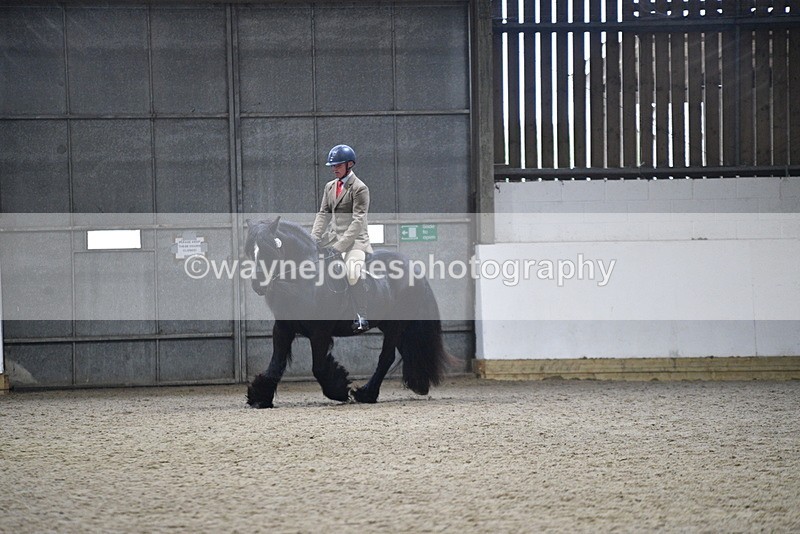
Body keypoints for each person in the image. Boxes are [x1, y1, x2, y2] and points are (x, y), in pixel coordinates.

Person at [311, 144, 373, 333]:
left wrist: (340, 246)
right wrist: (313, 238)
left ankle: (362, 316)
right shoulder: (329, 187)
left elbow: (358, 221)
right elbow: (323, 214)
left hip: (355, 242)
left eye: (338, 165)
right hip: (332, 238)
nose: (334, 168)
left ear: (349, 164)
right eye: (332, 165)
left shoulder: (360, 189)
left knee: (352, 271)